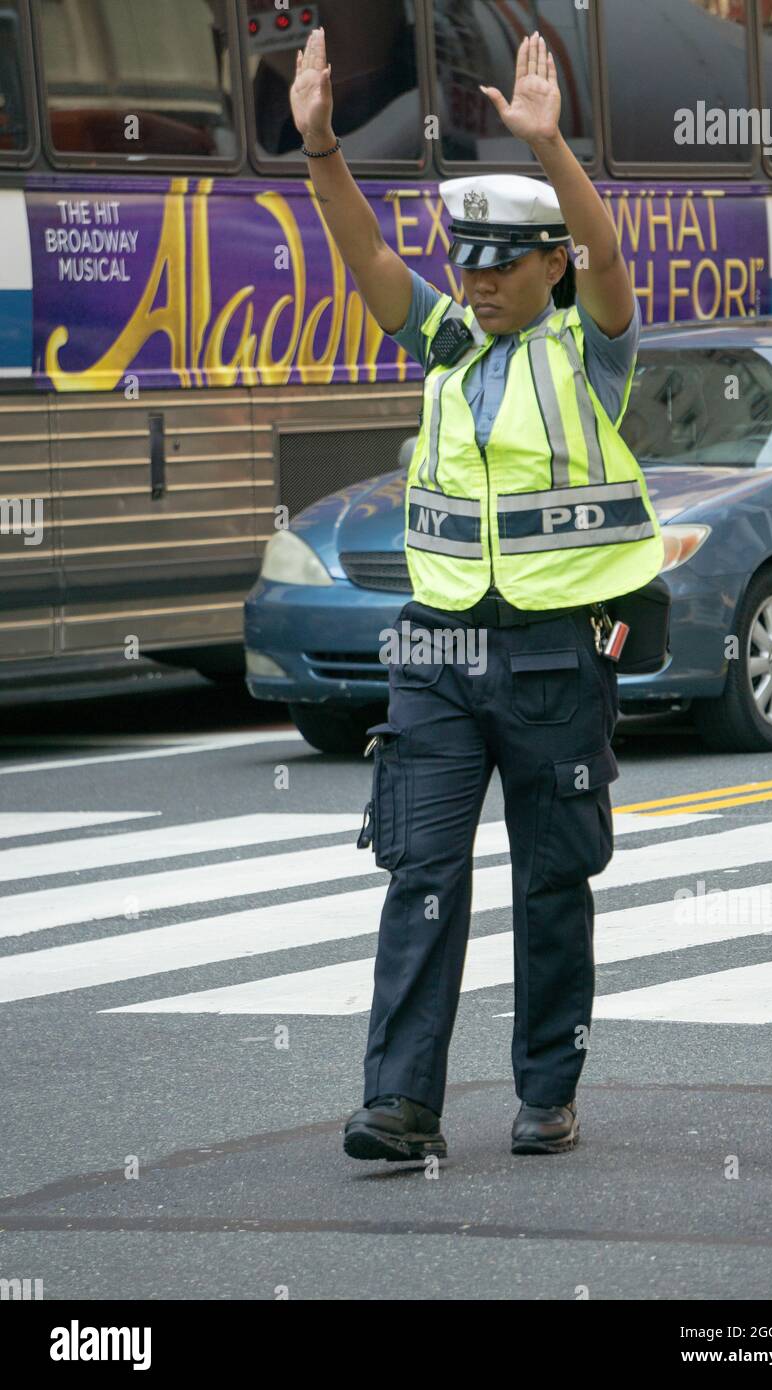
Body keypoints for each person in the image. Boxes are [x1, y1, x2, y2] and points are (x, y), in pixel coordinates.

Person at [290, 27, 664, 1159]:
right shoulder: (446, 347)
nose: (480, 281)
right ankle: (399, 1104)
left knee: (552, 885)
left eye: (504, 262)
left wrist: (550, 148)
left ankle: (546, 1089)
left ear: (548, 263)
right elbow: (365, 263)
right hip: (440, 659)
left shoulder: (590, 355)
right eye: (469, 260)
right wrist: (319, 155)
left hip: (556, 657)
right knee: (421, 875)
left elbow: (608, 260)